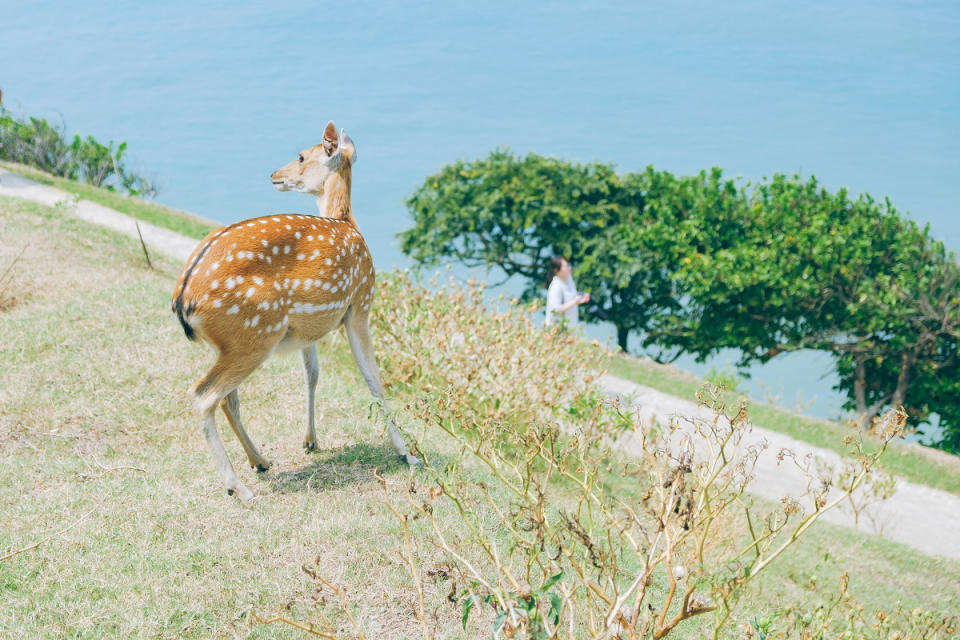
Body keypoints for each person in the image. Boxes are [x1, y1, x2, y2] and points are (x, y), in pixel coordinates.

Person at [544, 256, 590, 327]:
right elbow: (556, 310)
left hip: (570, 327)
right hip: (558, 329)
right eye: (566, 266)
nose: (569, 268)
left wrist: (580, 299)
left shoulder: (569, 279)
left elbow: (570, 299)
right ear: (556, 270)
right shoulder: (556, 287)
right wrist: (575, 301)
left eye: (569, 265)